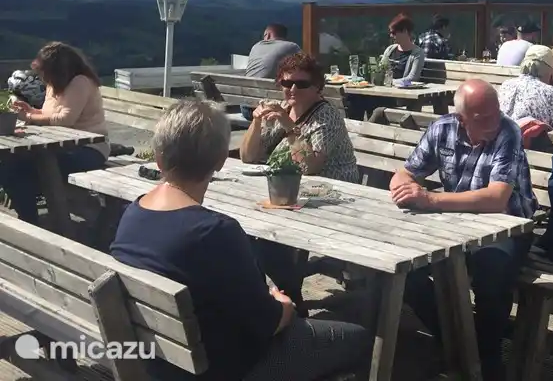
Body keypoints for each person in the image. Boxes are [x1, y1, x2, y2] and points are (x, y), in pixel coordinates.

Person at [110, 100, 369, 381]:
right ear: (221, 160)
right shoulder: (215, 231)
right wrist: (283, 305)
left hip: (159, 362)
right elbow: (268, 324)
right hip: (224, 369)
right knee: (360, 340)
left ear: (159, 160)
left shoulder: (132, 214)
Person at [390, 80, 536, 381]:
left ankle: (488, 358)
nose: (494, 122)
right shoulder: (442, 129)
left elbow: (497, 200)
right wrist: (406, 188)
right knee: (404, 269)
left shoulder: (508, 132)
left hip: (508, 226)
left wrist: (430, 199)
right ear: (461, 119)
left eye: (496, 113)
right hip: (456, 225)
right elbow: (404, 173)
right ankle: (455, 338)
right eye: (483, 118)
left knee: (490, 270)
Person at [239, 52, 358, 312]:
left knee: (263, 238)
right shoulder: (283, 109)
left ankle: (289, 300)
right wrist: (257, 121)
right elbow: (247, 156)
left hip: (329, 196)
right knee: (245, 232)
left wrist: (288, 125)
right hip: (291, 192)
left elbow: (310, 166)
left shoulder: (326, 116)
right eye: (286, 83)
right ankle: (273, 298)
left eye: (301, 84)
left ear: (317, 88)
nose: (292, 89)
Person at [4, 42, 109, 224]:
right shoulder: (55, 85)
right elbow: (49, 115)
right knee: (11, 166)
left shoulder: (80, 82)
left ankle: (36, 221)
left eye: (45, 71)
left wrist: (29, 116)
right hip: (61, 147)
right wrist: (31, 111)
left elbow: (64, 120)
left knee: (26, 168)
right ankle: (30, 219)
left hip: (89, 149)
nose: (43, 77)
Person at [497, 45, 553, 133]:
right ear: (548, 70)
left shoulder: (506, 85)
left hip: (503, 141)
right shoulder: (550, 92)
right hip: (532, 145)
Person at [243, 25, 302, 121]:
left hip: (246, 108)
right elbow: (305, 68)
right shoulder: (291, 47)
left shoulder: (256, 46)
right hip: (272, 110)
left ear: (268, 35)